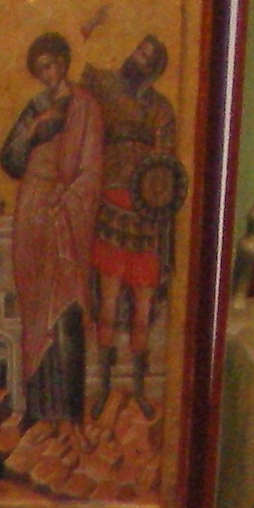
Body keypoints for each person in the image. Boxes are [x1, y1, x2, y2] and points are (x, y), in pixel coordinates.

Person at [1, 31, 100, 426]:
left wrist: (68, 198)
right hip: (33, 209)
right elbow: (10, 160)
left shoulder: (85, 106)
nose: (47, 73)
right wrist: (31, 131)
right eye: (40, 68)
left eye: (52, 64)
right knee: (34, 306)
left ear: (64, 61)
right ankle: (38, 409)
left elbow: (92, 170)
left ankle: (68, 412)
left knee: (67, 306)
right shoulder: (36, 107)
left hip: (66, 212)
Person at [86, 34, 179, 411]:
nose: (135, 57)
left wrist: (156, 196)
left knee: (143, 310)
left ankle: (139, 390)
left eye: (145, 55)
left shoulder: (161, 110)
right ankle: (104, 387)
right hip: (110, 207)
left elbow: (166, 167)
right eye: (137, 50)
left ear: (153, 68)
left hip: (144, 217)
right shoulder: (105, 87)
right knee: (107, 305)